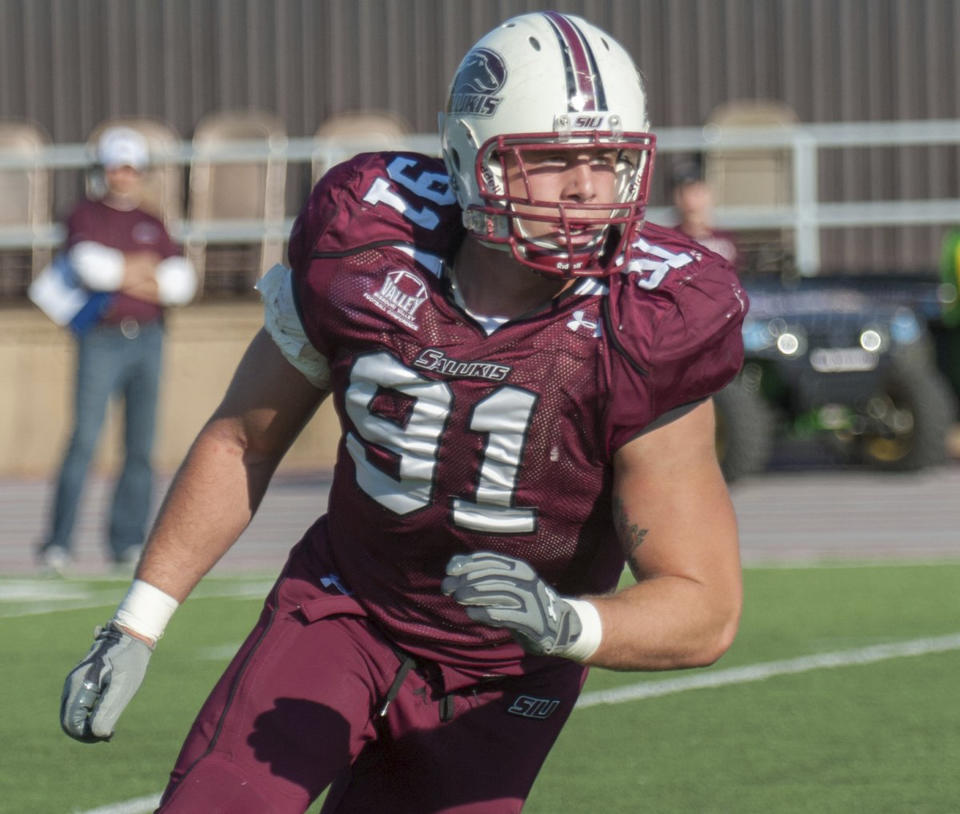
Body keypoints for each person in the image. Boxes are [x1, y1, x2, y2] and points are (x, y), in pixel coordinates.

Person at [60, 12, 747, 813]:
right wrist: (137, 622)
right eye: (552, 160)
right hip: (347, 605)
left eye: (606, 160)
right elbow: (244, 440)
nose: (585, 190)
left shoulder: (648, 319)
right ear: (467, 157)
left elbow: (705, 604)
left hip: (507, 669)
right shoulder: (365, 241)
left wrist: (566, 625)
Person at [37, 126, 197, 572]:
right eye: (116, 167)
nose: (123, 176)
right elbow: (93, 270)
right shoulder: (85, 215)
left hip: (148, 339)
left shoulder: (152, 221)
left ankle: (126, 541)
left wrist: (125, 271)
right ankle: (58, 542)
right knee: (84, 441)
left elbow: (182, 284)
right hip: (102, 340)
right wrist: (145, 273)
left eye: (131, 168)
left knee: (141, 448)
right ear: (104, 170)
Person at [671, 159, 741, 268]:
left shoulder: (725, 238)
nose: (691, 199)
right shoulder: (672, 239)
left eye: (698, 192)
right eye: (686, 192)